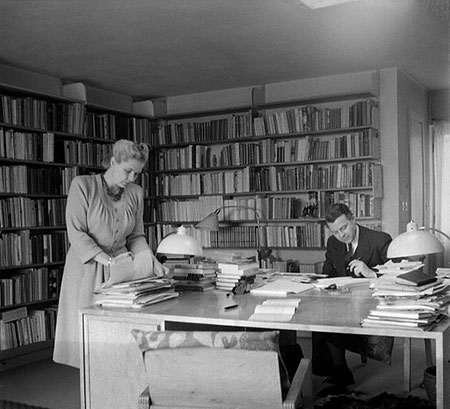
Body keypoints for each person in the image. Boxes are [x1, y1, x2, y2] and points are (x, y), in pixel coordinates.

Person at [53, 139, 167, 368]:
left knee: (119, 341)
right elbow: (77, 234)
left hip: (120, 272)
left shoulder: (135, 193)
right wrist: (109, 261)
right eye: (128, 171)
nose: (132, 178)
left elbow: (135, 236)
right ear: (113, 162)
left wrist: (149, 259)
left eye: (137, 173)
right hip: (87, 270)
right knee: (89, 341)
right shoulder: (82, 186)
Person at [313, 203, 392, 396]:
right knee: (318, 317)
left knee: (331, 320)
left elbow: (399, 276)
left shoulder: (379, 240)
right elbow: (328, 274)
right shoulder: (333, 243)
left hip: (374, 304)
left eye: (344, 228)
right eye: (335, 231)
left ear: (353, 219)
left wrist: (371, 273)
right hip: (343, 301)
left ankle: (339, 374)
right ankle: (339, 371)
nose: (341, 235)